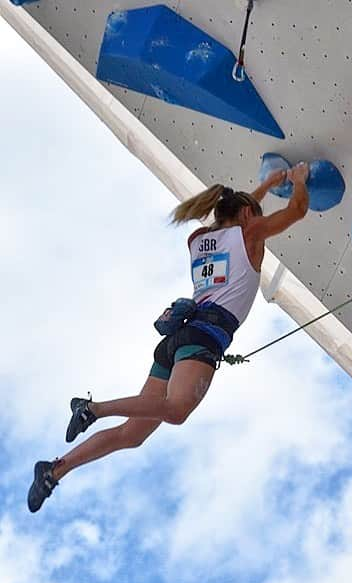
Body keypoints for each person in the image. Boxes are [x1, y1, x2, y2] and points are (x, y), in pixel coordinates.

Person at [27, 162, 310, 513]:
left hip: (180, 339)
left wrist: (267, 184)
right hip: (200, 339)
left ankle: (55, 470)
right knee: (175, 411)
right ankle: (92, 409)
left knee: (132, 435)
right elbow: (296, 210)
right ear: (248, 214)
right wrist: (298, 181)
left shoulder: (199, 240)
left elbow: (240, 213)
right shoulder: (248, 234)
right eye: (256, 213)